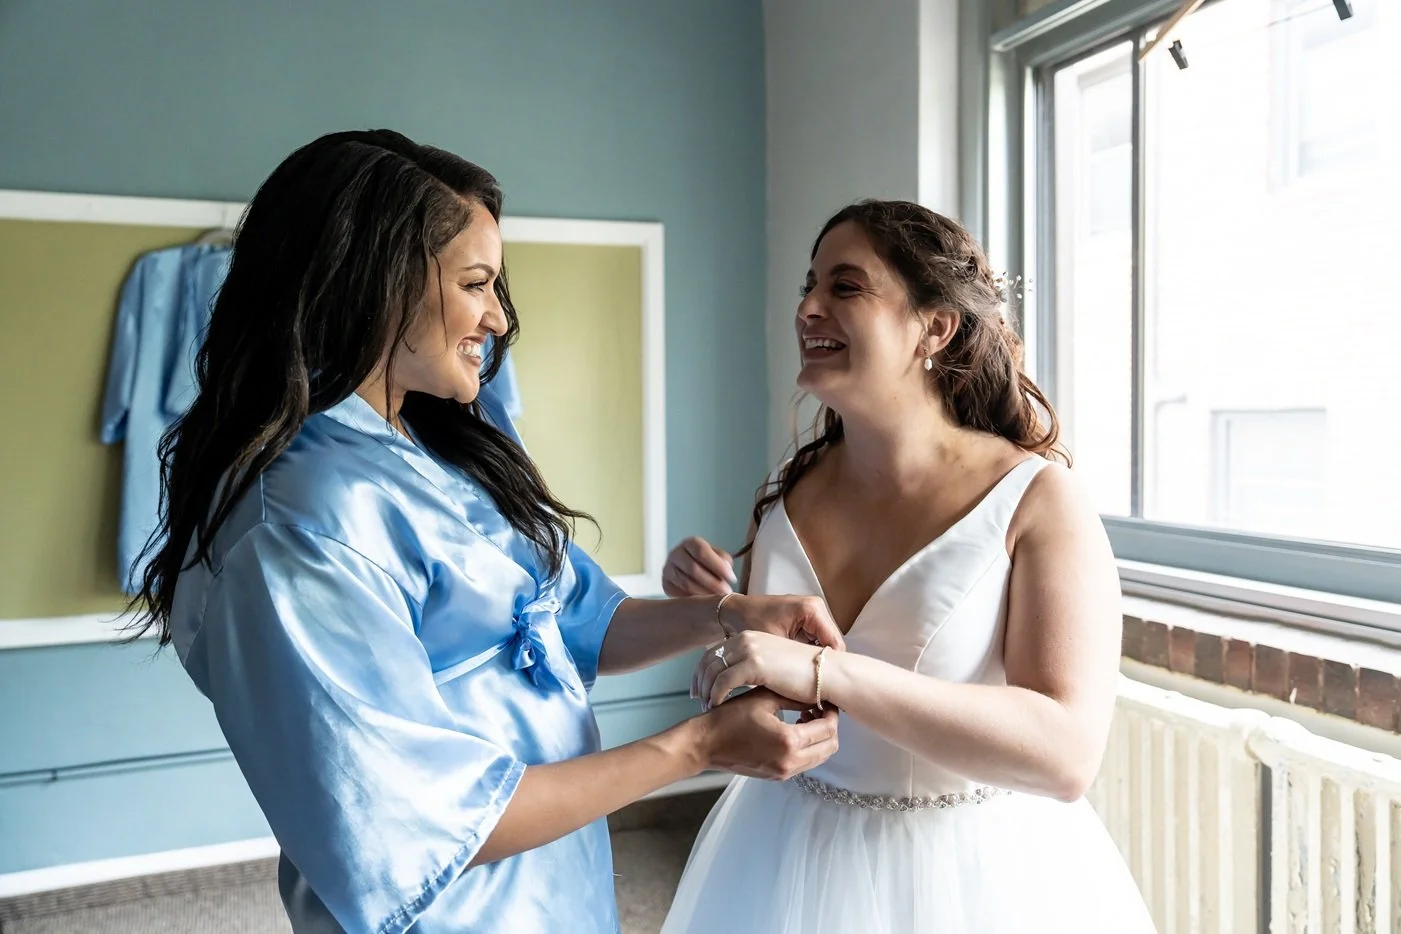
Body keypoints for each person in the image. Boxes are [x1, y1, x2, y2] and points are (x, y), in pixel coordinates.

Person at [130, 129, 841, 934]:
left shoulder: (434, 445)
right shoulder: (295, 527)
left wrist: (730, 615)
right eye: (476, 284)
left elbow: (580, 623)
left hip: (550, 885)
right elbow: (419, 825)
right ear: (372, 283)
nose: (499, 318)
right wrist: (697, 748)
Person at [659, 201, 1155, 933]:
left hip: (976, 877)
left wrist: (831, 673)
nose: (808, 306)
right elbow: (772, 710)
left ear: (934, 327)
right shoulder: (788, 496)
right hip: (785, 855)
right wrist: (717, 611)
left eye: (845, 286)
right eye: (809, 284)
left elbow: (1065, 753)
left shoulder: (1036, 501)